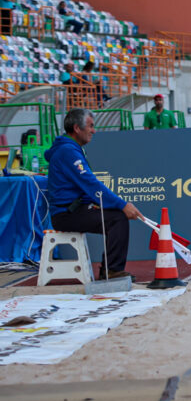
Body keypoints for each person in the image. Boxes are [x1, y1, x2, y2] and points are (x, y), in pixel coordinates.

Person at [44, 109, 143, 280]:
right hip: (66, 214)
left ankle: (110, 269)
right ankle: (111, 271)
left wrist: (102, 204)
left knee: (116, 216)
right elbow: (91, 184)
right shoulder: (68, 151)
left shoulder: (71, 149)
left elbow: (84, 187)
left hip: (73, 209)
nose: (94, 130)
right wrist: (122, 204)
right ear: (77, 128)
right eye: (90, 126)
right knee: (118, 218)